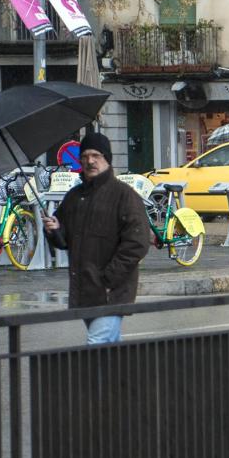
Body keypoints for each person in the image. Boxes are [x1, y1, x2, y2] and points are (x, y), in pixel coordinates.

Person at [41, 131, 151, 345]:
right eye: (84, 156)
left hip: (110, 293)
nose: (90, 161)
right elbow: (64, 241)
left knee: (96, 348)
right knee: (107, 351)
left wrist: (108, 278)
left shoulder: (124, 195)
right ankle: (121, 379)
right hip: (85, 290)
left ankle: (95, 379)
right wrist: (54, 230)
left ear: (106, 158)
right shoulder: (75, 196)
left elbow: (137, 243)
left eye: (96, 156)